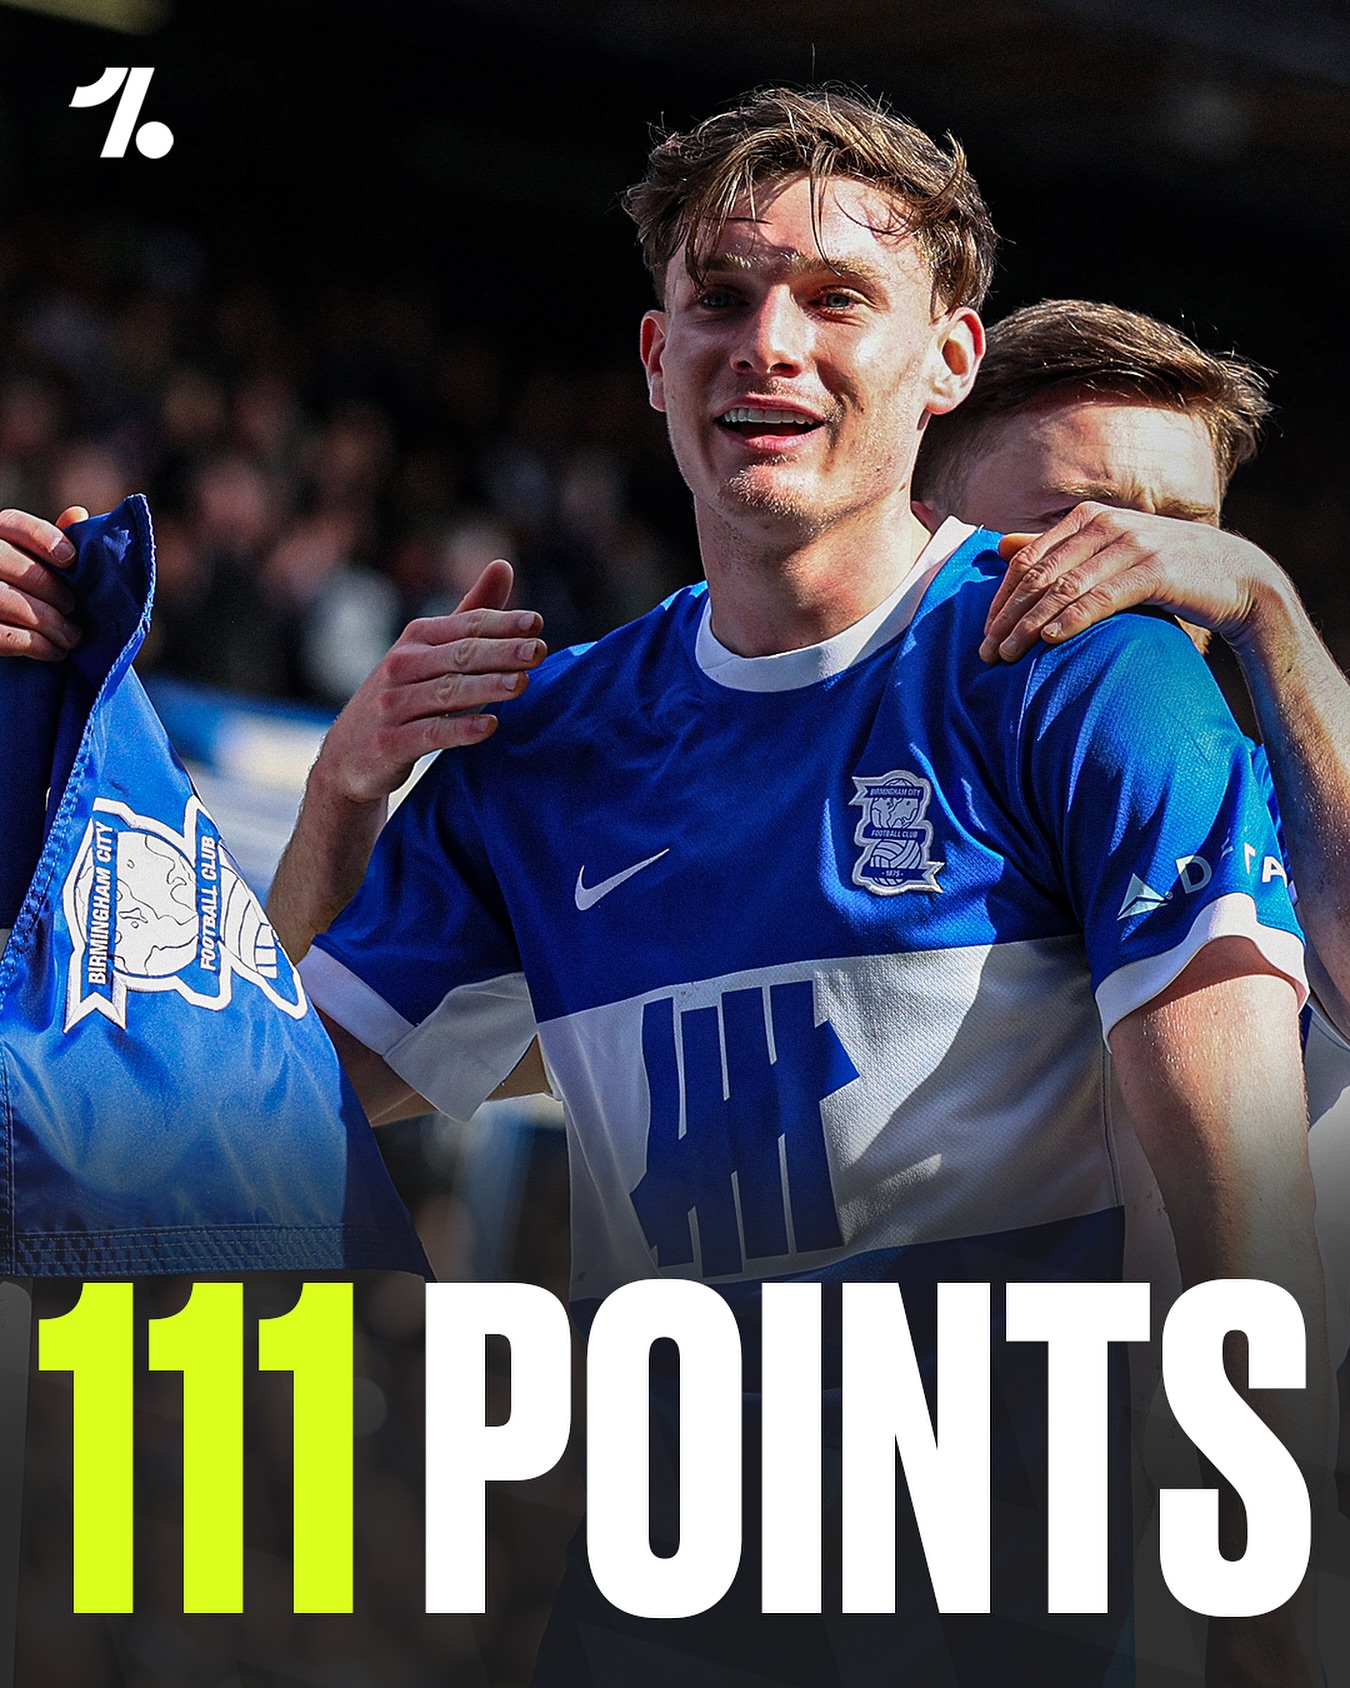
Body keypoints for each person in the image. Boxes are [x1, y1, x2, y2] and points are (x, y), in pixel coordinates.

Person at [0, 90, 1326, 1687]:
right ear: (653, 356)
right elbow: (224, 1129)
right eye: (720, 297)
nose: (768, 344)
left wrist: (1261, 1610)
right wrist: (326, 786)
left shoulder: (1083, 681)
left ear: (946, 361)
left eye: (836, 299)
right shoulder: (542, 746)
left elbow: (1242, 1200)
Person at [913, 298, 1350, 1366]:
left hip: (1233, 1436)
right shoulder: (819, 789)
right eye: (1083, 516)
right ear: (925, 530)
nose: (1145, 557)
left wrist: (1266, 606)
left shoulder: (1273, 797)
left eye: (1188, 530)